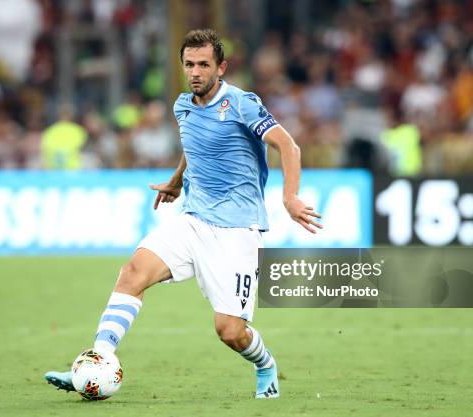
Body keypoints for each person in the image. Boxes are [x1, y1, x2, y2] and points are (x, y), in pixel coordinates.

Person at [45, 28, 322, 399]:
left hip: (237, 230)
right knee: (132, 273)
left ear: (220, 67)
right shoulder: (183, 106)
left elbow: (288, 145)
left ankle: (264, 363)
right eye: (189, 64)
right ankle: (98, 359)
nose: (195, 72)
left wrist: (290, 198)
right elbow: (194, 145)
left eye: (204, 64)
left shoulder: (242, 103)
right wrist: (177, 181)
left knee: (230, 331)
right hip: (192, 220)